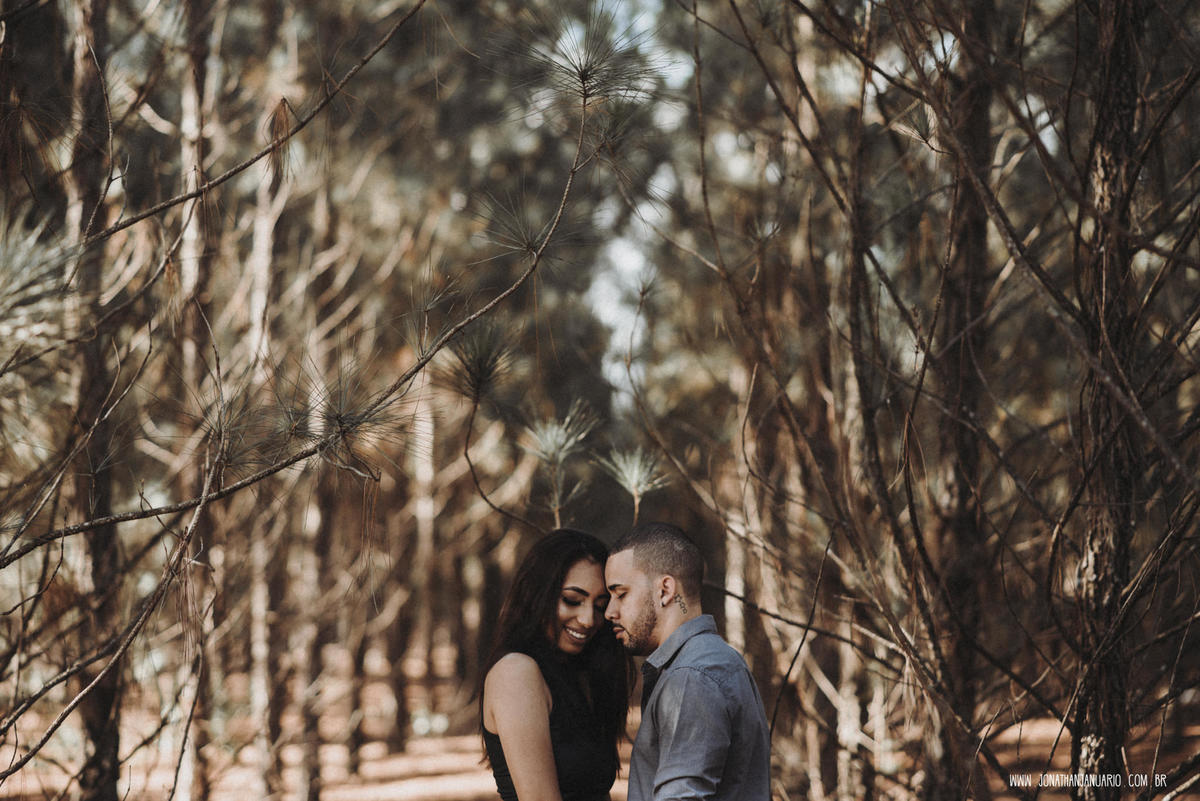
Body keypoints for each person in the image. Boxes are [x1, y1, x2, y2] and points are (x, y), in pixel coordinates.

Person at [604, 521, 771, 801]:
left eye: (621, 594)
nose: (610, 611)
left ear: (665, 590)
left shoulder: (692, 675)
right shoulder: (715, 660)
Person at [480, 529, 633, 801]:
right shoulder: (516, 672)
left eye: (600, 606)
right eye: (572, 600)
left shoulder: (580, 674)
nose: (588, 619)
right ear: (537, 594)